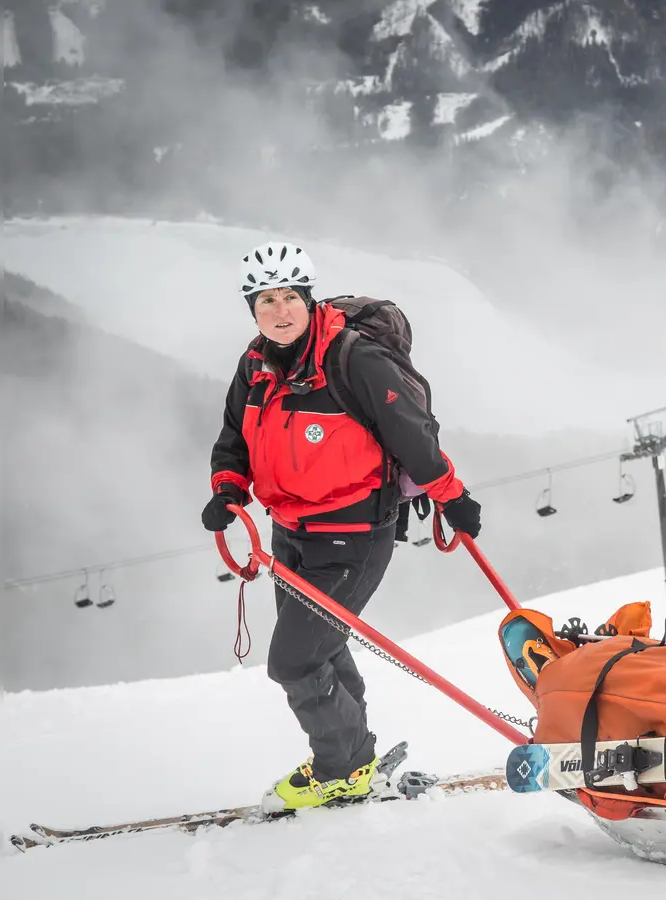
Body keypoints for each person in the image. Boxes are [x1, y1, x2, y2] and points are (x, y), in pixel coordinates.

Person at [202, 241, 482, 811]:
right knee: (320, 649)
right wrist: (227, 488)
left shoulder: (353, 358)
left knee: (295, 659)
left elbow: (411, 432)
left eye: (289, 297)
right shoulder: (254, 365)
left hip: (354, 534)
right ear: (252, 309)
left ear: (309, 299)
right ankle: (356, 758)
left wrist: (451, 496)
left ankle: (342, 768)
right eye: (265, 301)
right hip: (289, 530)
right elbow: (235, 435)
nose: (279, 311)